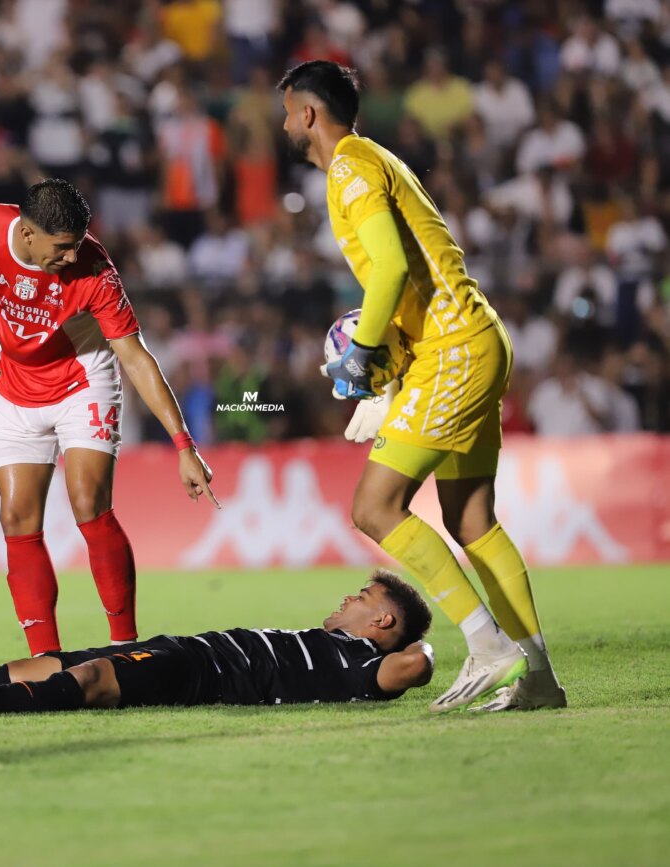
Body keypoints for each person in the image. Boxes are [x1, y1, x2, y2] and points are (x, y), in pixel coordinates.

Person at [279, 61, 566, 713]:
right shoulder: (377, 161)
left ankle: (486, 641)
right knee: (471, 519)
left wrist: (361, 356)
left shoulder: (350, 165)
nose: (284, 125)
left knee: (374, 507)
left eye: (287, 112)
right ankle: (540, 677)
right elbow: (408, 272)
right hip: (474, 339)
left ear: (308, 114)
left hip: (455, 349)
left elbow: (387, 269)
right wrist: (392, 370)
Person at [0, 179, 219, 657]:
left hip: (83, 381)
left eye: (78, 245)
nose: (73, 257)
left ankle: (126, 649)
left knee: (86, 501)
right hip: (15, 384)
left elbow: (136, 358)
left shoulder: (96, 272)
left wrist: (184, 446)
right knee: (16, 517)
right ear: (28, 235)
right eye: (63, 247)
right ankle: (46, 660)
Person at [0, 570, 435, 716]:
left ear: (382, 624)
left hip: (203, 675)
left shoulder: (359, 669)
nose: (348, 598)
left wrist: (432, 656)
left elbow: (409, 668)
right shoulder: (316, 640)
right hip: (188, 645)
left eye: (362, 597)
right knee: (43, 663)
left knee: (94, 682)